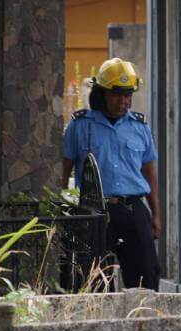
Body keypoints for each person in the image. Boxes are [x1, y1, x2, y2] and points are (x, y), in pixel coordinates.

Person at [61, 58, 161, 291]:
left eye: (127, 95)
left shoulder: (140, 126)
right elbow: (64, 172)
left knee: (146, 277)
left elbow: (149, 173)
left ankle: (142, 315)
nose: (123, 101)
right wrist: (65, 210)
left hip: (133, 209)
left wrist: (156, 214)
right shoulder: (80, 125)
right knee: (95, 281)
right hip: (94, 211)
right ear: (101, 94)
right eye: (117, 95)